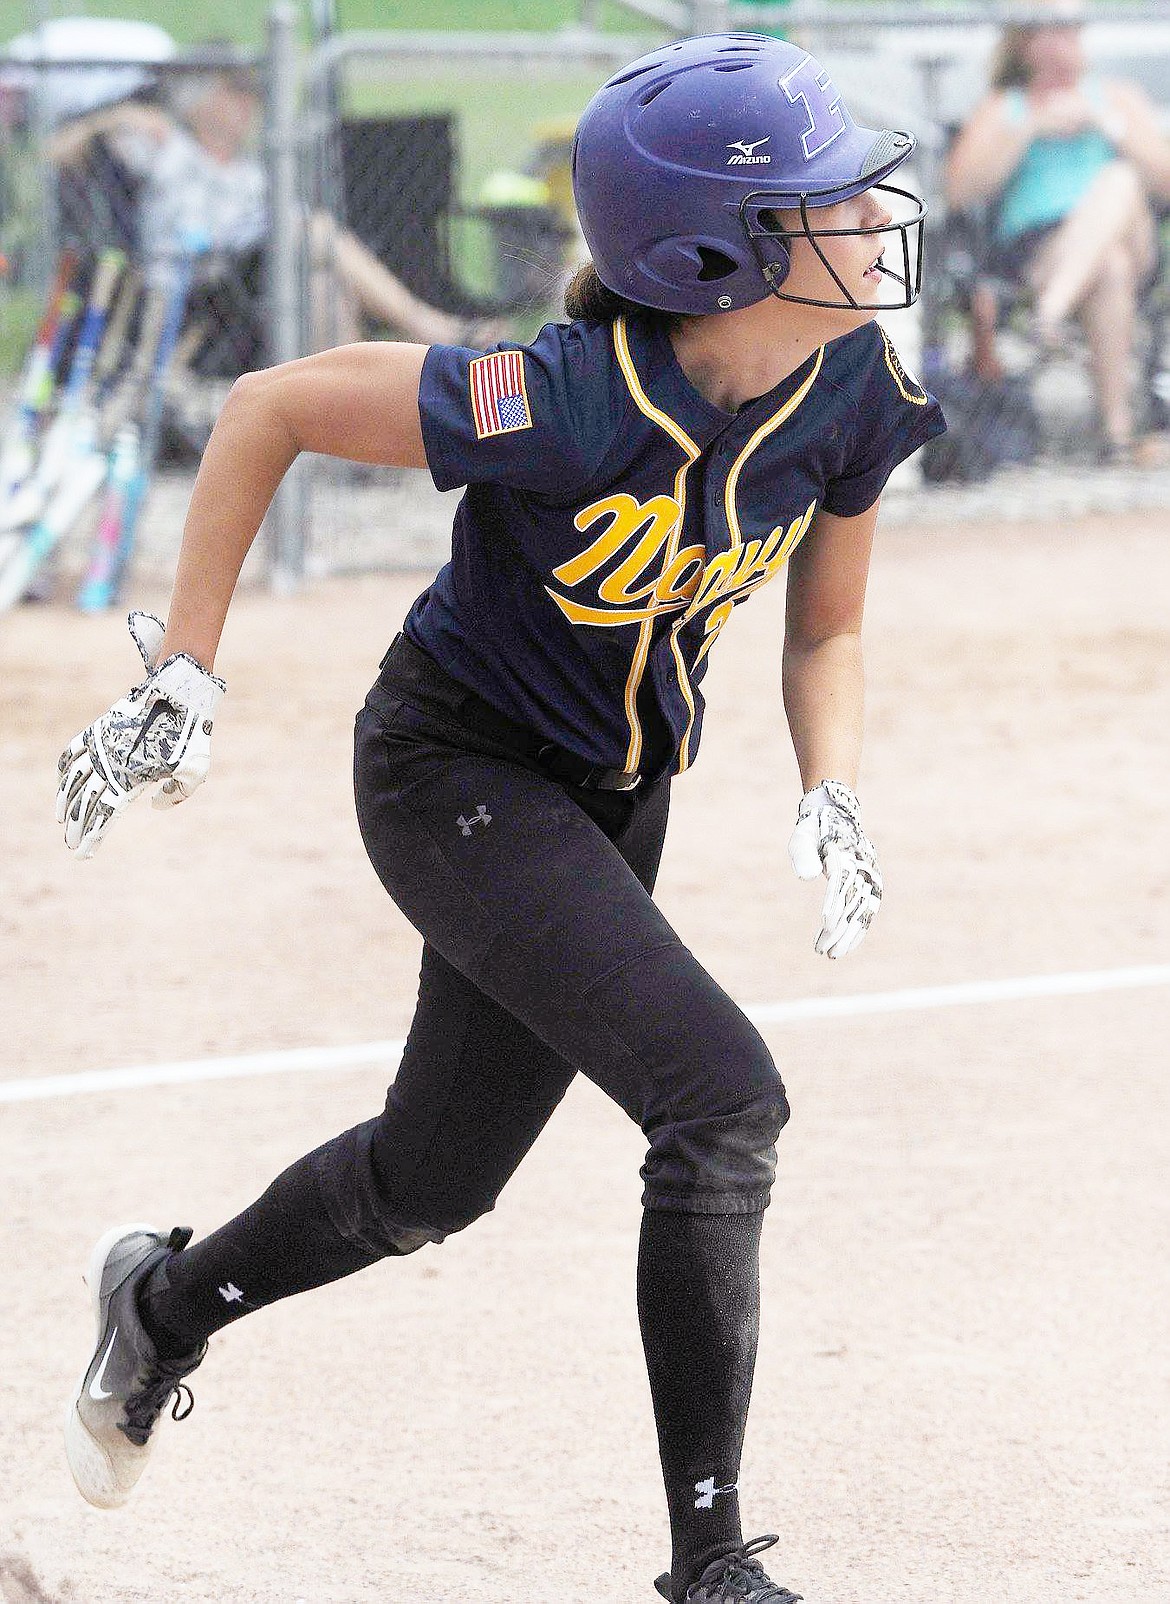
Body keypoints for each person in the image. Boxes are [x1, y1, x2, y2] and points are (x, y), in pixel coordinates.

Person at [56, 34, 943, 1604]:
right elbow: (266, 406)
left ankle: (164, 1307)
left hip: (610, 798)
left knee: (433, 1179)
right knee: (721, 1101)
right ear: (713, 253)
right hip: (453, 773)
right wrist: (185, 668)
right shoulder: (556, 398)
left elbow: (824, 633)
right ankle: (712, 1566)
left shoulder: (852, 386)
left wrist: (833, 790)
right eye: (826, 202)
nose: (874, 217)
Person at [48, 57, 499, 351]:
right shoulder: (166, 145)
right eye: (236, 96)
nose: (249, 109)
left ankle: (350, 436)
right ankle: (429, 328)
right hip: (195, 271)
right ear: (206, 102)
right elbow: (58, 151)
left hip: (257, 266)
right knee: (314, 230)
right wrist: (121, 117)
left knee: (325, 283)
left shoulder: (248, 169)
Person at [944, 5, 1170, 461]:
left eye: (1070, 32)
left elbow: (1164, 180)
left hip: (1131, 234)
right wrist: (1029, 128)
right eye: (1050, 33)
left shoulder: (1115, 95)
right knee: (1108, 267)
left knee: (1121, 182)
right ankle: (1118, 434)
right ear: (1025, 44)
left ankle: (1047, 315)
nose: (1063, 45)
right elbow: (958, 191)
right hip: (1043, 250)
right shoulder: (1004, 106)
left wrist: (1110, 126)